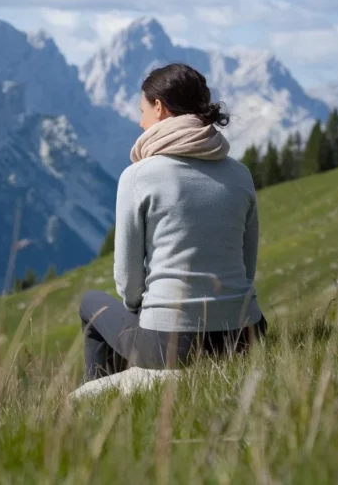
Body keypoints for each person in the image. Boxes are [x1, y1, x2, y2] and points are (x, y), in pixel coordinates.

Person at [79, 63, 268, 382]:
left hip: (170, 344)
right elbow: (247, 266)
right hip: (246, 336)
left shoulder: (139, 176)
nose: (140, 123)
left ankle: (101, 401)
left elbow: (127, 277)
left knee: (90, 303)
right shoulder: (240, 174)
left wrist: (139, 310)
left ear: (159, 108)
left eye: (142, 111)